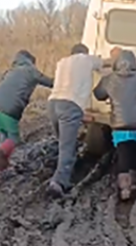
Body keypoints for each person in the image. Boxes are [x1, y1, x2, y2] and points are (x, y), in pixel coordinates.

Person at [46, 44, 120, 198]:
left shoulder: (62, 62)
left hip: (53, 103)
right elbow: (106, 63)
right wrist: (115, 57)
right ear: (84, 53)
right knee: (68, 146)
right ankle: (58, 183)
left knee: (62, 142)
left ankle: (57, 167)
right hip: (70, 105)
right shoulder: (86, 59)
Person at [93, 49, 136, 201]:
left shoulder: (109, 79)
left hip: (120, 125)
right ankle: (135, 182)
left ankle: (125, 188)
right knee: (135, 153)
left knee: (123, 155)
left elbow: (98, 94)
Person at [0, 50, 54, 171]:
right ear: (31, 61)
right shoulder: (30, 70)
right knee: (14, 139)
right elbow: (50, 83)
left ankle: (1, 165)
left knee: (5, 136)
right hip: (8, 108)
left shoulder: (11, 71)